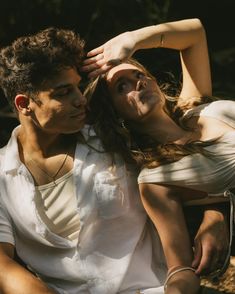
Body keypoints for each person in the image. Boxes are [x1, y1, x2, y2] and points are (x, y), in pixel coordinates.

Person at [0, 23, 228, 294]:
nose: (80, 100)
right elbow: (3, 264)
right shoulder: (3, 176)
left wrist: (217, 214)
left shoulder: (115, 134)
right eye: (63, 93)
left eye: (77, 87)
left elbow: (197, 160)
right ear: (24, 104)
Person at [83, 18, 233, 293]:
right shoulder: (156, 179)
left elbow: (196, 33)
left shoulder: (195, 104)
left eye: (139, 74)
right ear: (116, 116)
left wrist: (133, 39)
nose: (138, 83)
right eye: (122, 87)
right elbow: (180, 269)